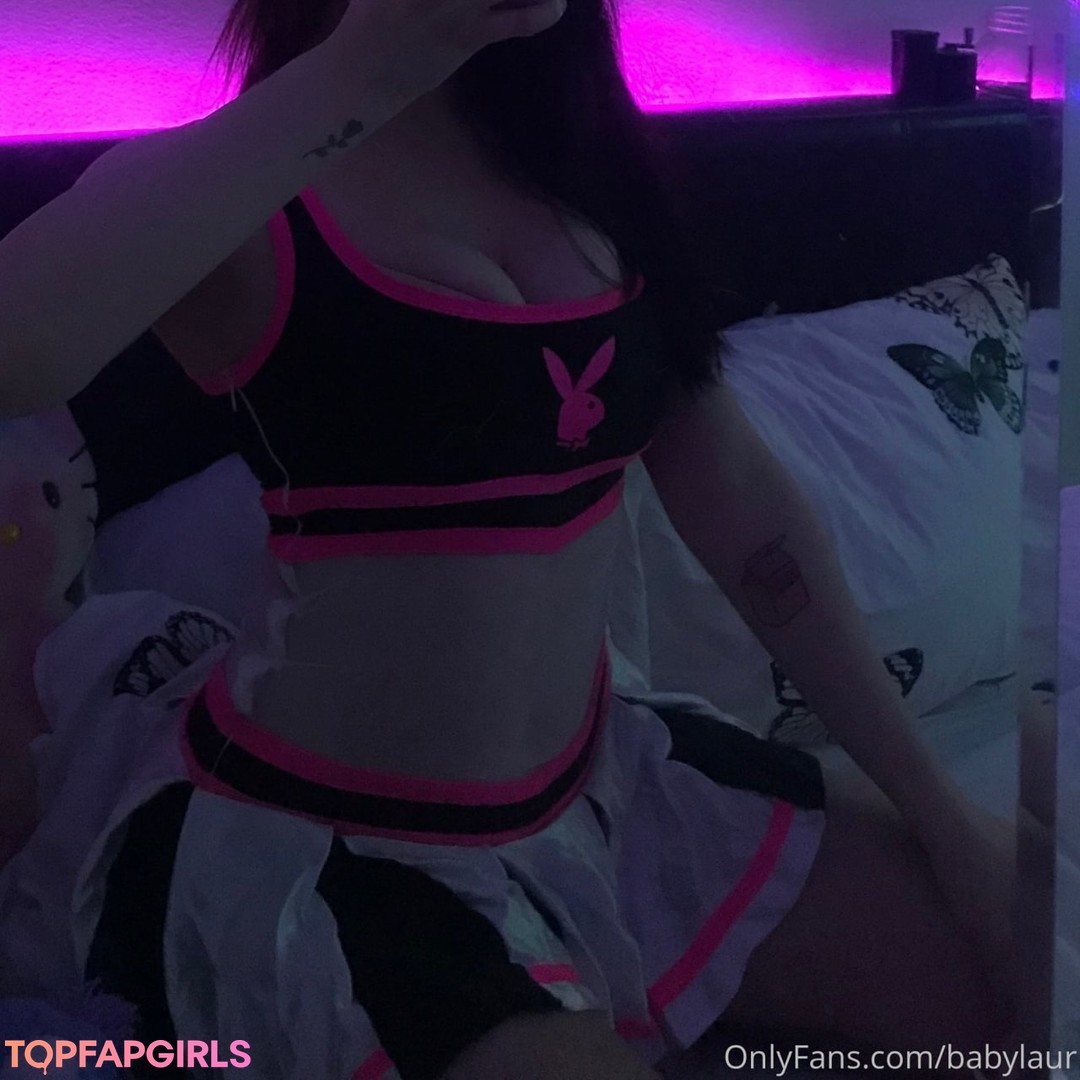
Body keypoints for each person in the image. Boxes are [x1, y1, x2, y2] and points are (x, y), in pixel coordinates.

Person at [0, 0, 1015, 1075]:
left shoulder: (583, 165)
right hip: (344, 850)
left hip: (609, 785)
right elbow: (20, 349)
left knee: (1028, 949)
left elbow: (743, 501)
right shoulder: (262, 179)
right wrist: (367, 63)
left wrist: (948, 820)